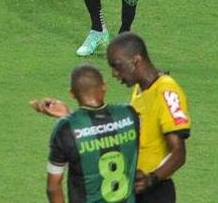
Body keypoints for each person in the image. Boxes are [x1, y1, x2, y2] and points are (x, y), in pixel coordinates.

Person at [32, 33, 190, 203]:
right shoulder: (140, 90)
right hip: (135, 188)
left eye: (117, 66)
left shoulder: (166, 91)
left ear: (136, 60)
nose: (114, 74)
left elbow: (179, 152)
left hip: (155, 192)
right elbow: (112, 131)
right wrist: (70, 117)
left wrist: (152, 179)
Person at [34, 64, 140, 203]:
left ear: (72, 93)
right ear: (104, 86)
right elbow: (104, 128)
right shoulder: (129, 115)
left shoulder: (66, 130)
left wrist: (68, 117)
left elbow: (53, 187)